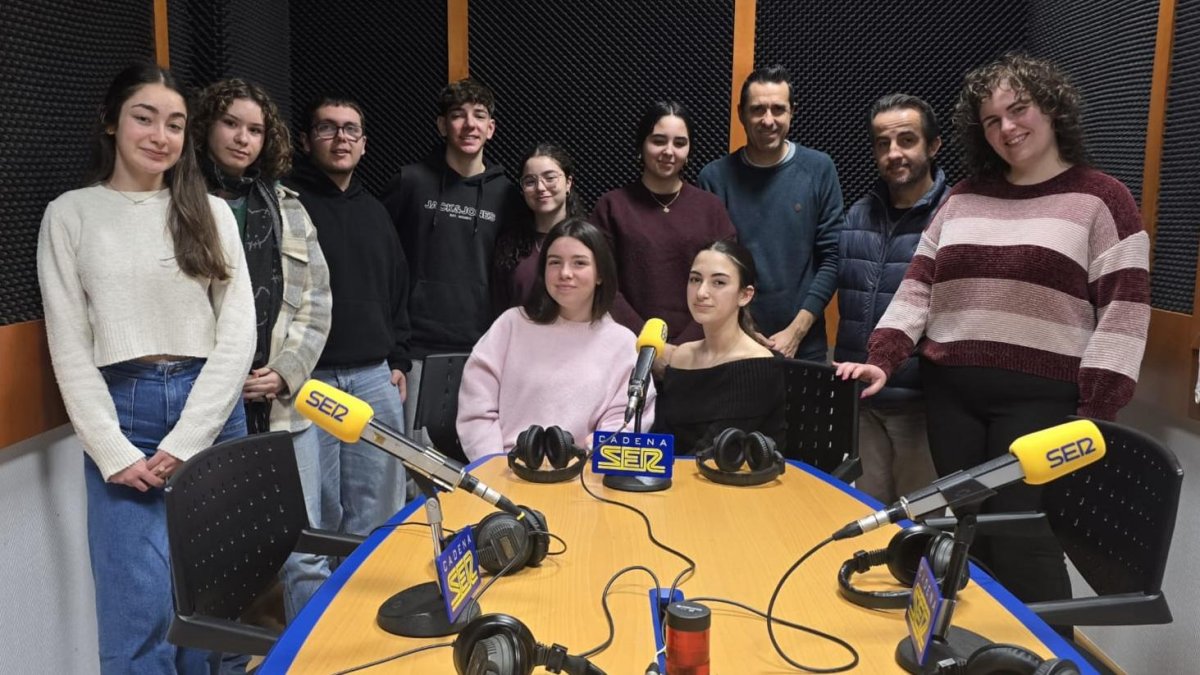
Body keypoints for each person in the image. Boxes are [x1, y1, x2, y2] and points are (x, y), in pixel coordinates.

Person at [835, 54, 1151, 605]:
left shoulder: (1103, 199)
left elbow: (1124, 312)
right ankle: (970, 646)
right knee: (963, 537)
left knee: (1026, 541)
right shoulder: (961, 197)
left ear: (1051, 108)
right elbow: (919, 287)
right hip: (952, 399)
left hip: (1042, 407)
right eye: (991, 120)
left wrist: (1097, 413)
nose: (1007, 127)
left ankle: (1048, 650)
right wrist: (883, 357)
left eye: (1019, 109)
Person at [37, 63, 255, 673]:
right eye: (145, 118)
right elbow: (69, 344)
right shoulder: (70, 214)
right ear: (111, 122)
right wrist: (110, 449)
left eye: (175, 124)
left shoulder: (210, 212)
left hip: (211, 409)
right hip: (123, 412)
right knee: (137, 615)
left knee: (215, 609)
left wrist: (191, 435)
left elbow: (238, 332)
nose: (161, 136)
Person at [193, 78, 332, 622]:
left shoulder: (288, 208)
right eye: (231, 124)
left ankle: (309, 655)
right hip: (209, 411)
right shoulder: (178, 204)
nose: (242, 138)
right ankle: (232, 658)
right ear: (207, 126)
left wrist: (286, 371)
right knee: (226, 558)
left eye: (254, 129)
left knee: (306, 551)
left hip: (283, 407)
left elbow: (316, 300)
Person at [284, 95, 410, 545]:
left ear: (363, 143)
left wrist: (399, 358)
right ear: (305, 140)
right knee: (316, 511)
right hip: (310, 380)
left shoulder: (376, 212)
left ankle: (365, 587)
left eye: (351, 129)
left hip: (374, 377)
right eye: (328, 128)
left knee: (378, 507)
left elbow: (397, 288)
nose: (341, 138)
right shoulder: (287, 207)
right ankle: (326, 592)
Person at [380, 78, 521, 439]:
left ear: (491, 128)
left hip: (483, 351)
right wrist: (395, 348)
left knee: (479, 458)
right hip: (417, 353)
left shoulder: (507, 194)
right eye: (458, 115)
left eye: (479, 115)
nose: (469, 124)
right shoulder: (410, 182)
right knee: (417, 462)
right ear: (442, 125)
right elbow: (383, 265)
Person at [457, 218, 655, 460]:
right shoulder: (511, 325)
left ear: (600, 274)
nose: (565, 273)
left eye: (579, 263)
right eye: (554, 262)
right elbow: (476, 409)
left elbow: (624, 423)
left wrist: (590, 463)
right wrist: (493, 465)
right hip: (504, 472)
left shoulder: (622, 343)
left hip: (584, 475)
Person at [834, 93, 946, 504]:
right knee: (869, 516)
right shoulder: (857, 215)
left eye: (906, 140)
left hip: (922, 407)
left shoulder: (953, 216)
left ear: (933, 145)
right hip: (862, 403)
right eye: (883, 143)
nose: (894, 153)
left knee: (922, 522)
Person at [698, 65, 843, 360]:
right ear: (741, 114)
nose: (768, 120)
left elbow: (833, 257)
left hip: (804, 346)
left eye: (778, 109)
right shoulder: (714, 178)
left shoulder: (819, 169)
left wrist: (796, 331)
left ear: (792, 112)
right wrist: (743, 330)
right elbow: (711, 268)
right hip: (732, 345)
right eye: (757, 110)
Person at [592, 101, 737, 354]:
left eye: (679, 143)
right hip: (626, 349)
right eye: (658, 141)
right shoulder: (611, 207)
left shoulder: (711, 209)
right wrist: (650, 346)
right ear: (641, 145)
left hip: (701, 350)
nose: (669, 151)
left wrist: (681, 350)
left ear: (689, 150)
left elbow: (727, 282)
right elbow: (603, 284)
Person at [652, 240, 784, 454]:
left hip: (730, 473)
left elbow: (716, 450)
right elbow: (661, 437)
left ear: (745, 295)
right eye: (695, 279)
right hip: (674, 471)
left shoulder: (759, 363)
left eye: (719, 283)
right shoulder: (682, 356)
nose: (701, 292)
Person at [492, 142, 584, 311]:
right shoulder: (509, 246)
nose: (540, 188)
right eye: (530, 181)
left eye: (550, 178)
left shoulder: (588, 241)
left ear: (568, 183)